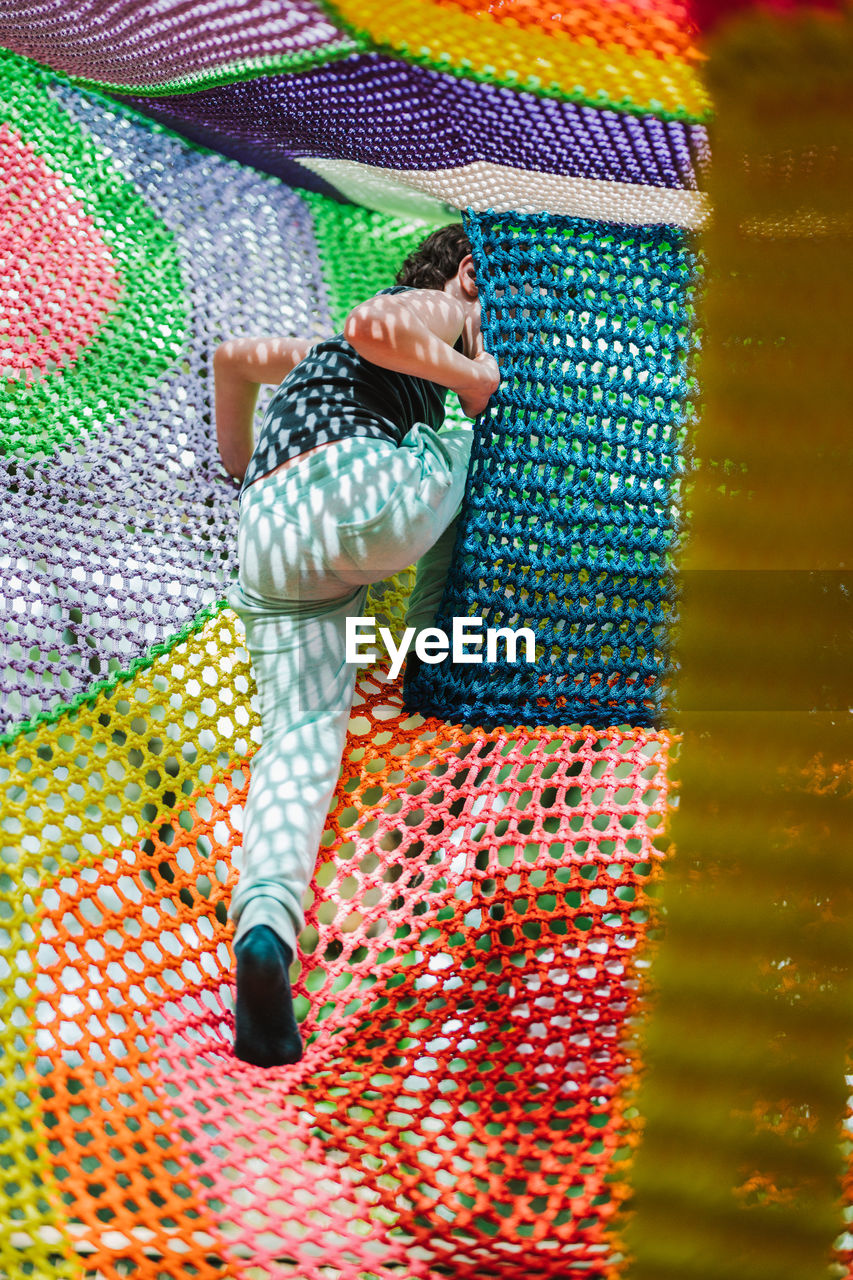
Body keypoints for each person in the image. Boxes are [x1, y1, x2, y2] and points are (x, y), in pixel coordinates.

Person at [214, 225, 500, 1068]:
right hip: (357, 494)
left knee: (298, 744)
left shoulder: (311, 356)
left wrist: (239, 465)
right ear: (471, 274)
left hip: (267, 530)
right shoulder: (446, 307)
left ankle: (266, 926)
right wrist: (470, 374)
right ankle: (432, 649)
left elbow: (231, 359)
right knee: (468, 447)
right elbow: (377, 326)